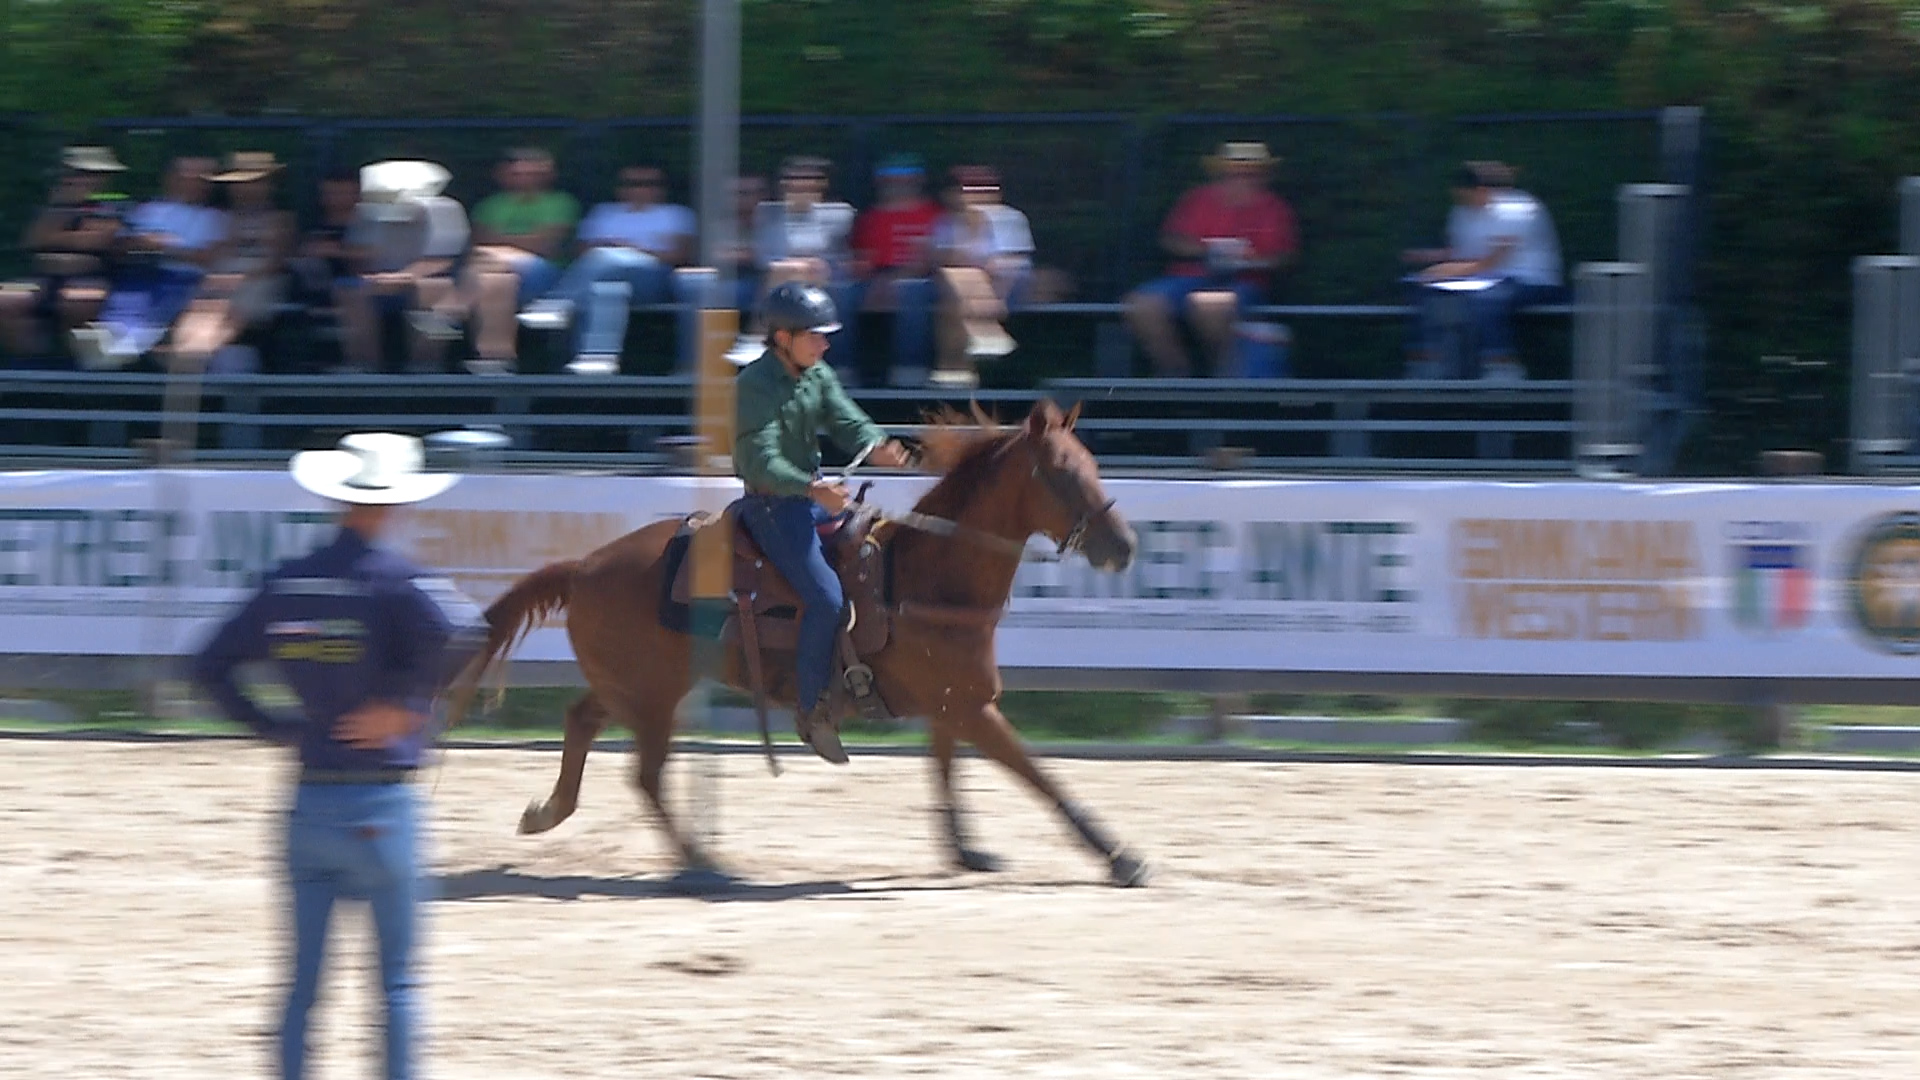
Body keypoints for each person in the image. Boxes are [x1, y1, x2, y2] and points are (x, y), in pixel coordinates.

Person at [188, 430, 484, 1080]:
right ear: (396, 502)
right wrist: (406, 704)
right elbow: (469, 633)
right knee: (396, 985)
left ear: (336, 498)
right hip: (381, 802)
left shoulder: (287, 583)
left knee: (302, 986)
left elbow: (207, 665)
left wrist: (275, 728)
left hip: (309, 797)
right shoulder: (400, 581)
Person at [732, 281, 912, 763]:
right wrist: (812, 490)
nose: (825, 344)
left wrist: (877, 444)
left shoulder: (817, 374)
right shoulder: (753, 385)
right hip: (773, 506)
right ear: (783, 338)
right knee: (827, 599)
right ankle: (811, 709)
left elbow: (847, 420)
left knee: (873, 563)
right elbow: (758, 460)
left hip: (813, 498)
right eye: (815, 335)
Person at [1122, 141, 1298, 377]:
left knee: (1210, 308)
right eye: (1233, 173)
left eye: (1250, 173)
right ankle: (1175, 375)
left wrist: (1248, 261)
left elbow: (1283, 258)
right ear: (1220, 173)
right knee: (1141, 304)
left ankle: (1222, 378)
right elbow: (1172, 240)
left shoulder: (1274, 209)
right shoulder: (1198, 200)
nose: (1241, 179)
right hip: (1188, 278)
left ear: (1263, 176)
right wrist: (1206, 252)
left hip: (1245, 282)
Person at [515, 163, 697, 376]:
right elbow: (582, 253)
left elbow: (679, 255)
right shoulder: (604, 213)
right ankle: (595, 359)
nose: (639, 189)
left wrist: (629, 250)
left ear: (661, 188)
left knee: (605, 256)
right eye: (631, 183)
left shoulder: (677, 214)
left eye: (648, 183)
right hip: (606, 276)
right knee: (608, 290)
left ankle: (557, 303)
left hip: (654, 278)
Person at [1403, 160, 1565, 381]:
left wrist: (1438, 272)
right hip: (1484, 279)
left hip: (1534, 281)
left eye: (1465, 196)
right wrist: (1427, 260)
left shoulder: (1519, 210)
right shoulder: (1461, 211)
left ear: (1481, 190)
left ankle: (1503, 367)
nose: (1462, 202)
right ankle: (1426, 363)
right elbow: (1460, 254)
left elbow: (1490, 262)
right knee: (1420, 289)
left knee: (1489, 297)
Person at [426, 147, 579, 375]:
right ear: (502, 174)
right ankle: (495, 360)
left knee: (488, 259)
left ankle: (450, 311)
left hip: (545, 276)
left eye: (531, 173)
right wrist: (517, 243)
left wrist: (501, 242)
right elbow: (478, 242)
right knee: (495, 282)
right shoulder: (488, 205)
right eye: (517, 173)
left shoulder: (561, 203)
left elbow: (545, 246)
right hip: (491, 273)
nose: (524, 178)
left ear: (547, 175)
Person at [71, 155, 227, 369]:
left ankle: (120, 353)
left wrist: (164, 247)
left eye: (201, 179)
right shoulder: (147, 210)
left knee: (158, 309)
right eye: (187, 177)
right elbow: (121, 246)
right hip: (139, 274)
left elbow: (211, 258)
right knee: (123, 306)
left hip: (186, 280)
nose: (194, 183)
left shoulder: (217, 218)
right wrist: (144, 244)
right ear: (171, 179)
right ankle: (110, 352)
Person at [726, 155, 859, 370]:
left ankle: (756, 337)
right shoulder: (769, 213)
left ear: (821, 184)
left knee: (788, 268)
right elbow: (763, 255)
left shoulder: (839, 214)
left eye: (808, 180)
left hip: (824, 275)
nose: (800, 185)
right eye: (793, 179)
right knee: (786, 269)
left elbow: (839, 256)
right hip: (780, 274)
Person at [338, 160, 470, 374]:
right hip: (379, 282)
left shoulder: (445, 210)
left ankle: (426, 367)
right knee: (349, 289)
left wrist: (402, 278)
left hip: (429, 281)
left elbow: (441, 260)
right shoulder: (363, 212)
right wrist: (375, 277)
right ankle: (362, 367)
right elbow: (358, 255)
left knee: (435, 288)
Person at [0, 145, 129, 363]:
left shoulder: (113, 204)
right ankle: (31, 369)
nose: (82, 180)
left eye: (90, 174)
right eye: (77, 174)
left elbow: (100, 240)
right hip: (44, 279)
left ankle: (72, 366)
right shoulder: (54, 205)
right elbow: (32, 241)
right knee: (5, 301)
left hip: (96, 278)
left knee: (76, 301)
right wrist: (65, 207)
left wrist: (58, 239)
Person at [171, 151, 296, 373]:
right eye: (241, 183)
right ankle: (186, 356)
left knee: (229, 310)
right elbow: (217, 255)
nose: (246, 188)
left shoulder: (282, 219)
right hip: (221, 276)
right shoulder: (223, 218)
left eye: (254, 182)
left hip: (261, 281)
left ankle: (198, 356)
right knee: (200, 305)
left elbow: (276, 263)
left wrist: (239, 278)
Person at [930, 164, 1031, 388]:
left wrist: (998, 298)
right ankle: (986, 339)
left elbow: (1012, 264)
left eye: (985, 188)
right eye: (968, 189)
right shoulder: (945, 222)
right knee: (952, 291)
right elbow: (940, 259)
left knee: (956, 291)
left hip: (1005, 284)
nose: (977, 194)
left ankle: (954, 370)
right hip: (960, 286)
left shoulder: (1011, 218)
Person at [849, 153, 943, 387]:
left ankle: (912, 368)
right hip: (877, 278)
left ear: (917, 181)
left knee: (908, 291)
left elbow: (937, 255)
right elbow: (861, 258)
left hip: (928, 278)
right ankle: (861, 372)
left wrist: (907, 273)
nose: (897, 185)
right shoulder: (871, 218)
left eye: (904, 179)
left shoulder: (935, 215)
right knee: (859, 292)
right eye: (889, 179)